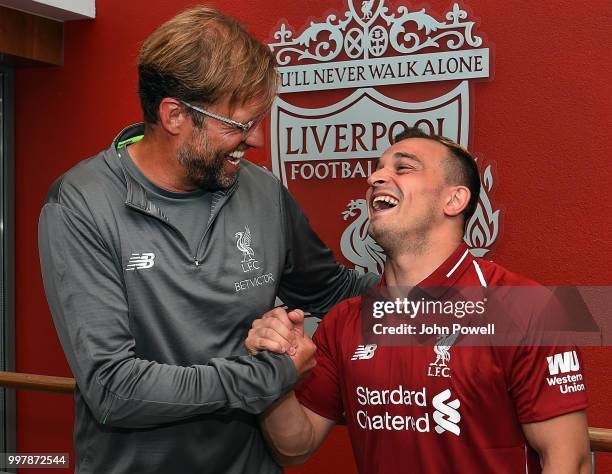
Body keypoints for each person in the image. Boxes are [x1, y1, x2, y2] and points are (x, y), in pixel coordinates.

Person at [37, 6, 376, 474]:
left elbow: (332, 291)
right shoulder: (82, 203)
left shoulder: (264, 191)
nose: (257, 139)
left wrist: (450, 294)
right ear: (175, 115)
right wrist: (268, 375)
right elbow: (113, 388)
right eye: (238, 124)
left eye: (260, 120)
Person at [247, 127, 591, 473]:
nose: (375, 177)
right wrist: (273, 367)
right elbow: (294, 447)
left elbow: (569, 461)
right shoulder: (345, 320)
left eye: (403, 168)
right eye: (378, 168)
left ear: (454, 200)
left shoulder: (525, 308)